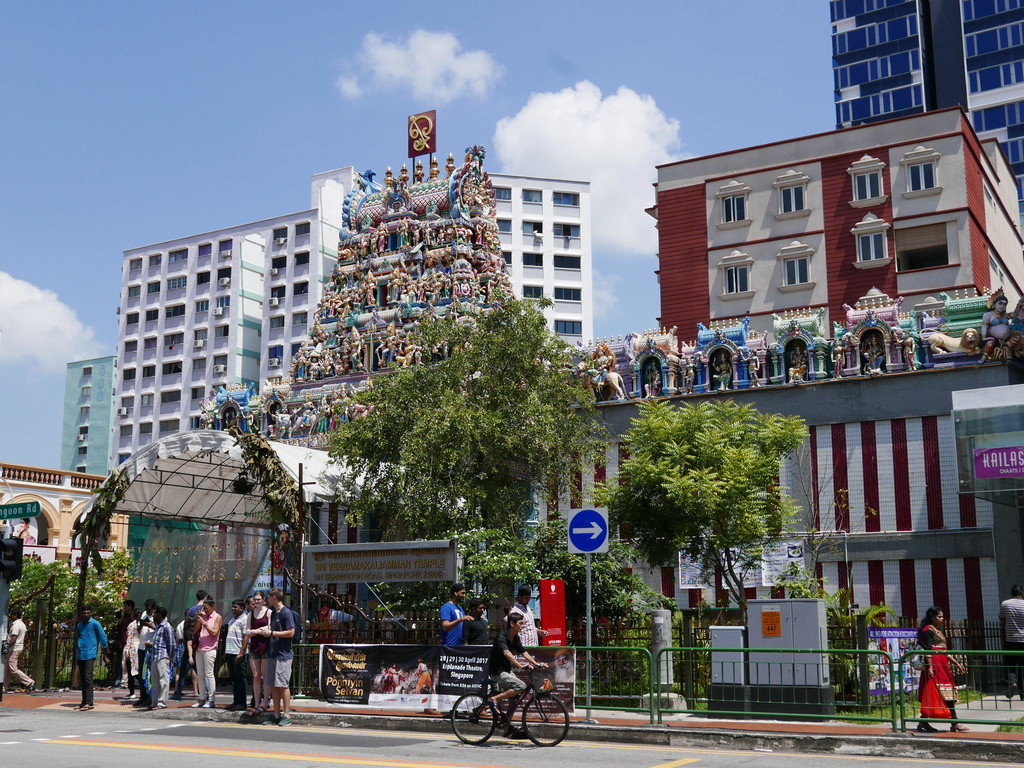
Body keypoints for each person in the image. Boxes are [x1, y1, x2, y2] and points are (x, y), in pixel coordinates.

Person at [488, 611, 547, 739]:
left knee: (515, 699)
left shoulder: (515, 637)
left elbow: (523, 652)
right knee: (521, 686)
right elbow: (507, 654)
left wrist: (536, 663)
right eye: (520, 623)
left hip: (507, 670)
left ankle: (506, 728)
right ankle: (493, 699)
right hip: (497, 671)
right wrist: (520, 666)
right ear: (512, 623)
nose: (522, 626)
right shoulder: (501, 636)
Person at [916, 606, 968, 733]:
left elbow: (943, 650)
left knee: (946, 693)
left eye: (942, 616)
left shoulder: (935, 630)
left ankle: (924, 721)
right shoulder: (927, 630)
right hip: (935, 666)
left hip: (942, 665)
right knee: (941, 693)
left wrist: (956, 663)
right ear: (932, 618)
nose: (942, 619)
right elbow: (928, 649)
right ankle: (954, 722)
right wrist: (930, 668)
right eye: (939, 617)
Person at [261, 587, 296, 726]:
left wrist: (272, 633)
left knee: (282, 684)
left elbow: (291, 632)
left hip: (283, 654)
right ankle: (276, 714)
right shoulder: (274, 613)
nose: (267, 600)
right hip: (273, 653)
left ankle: (286, 715)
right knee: (273, 685)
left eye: (268, 598)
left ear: (274, 598)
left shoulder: (286, 613)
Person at [241, 590, 271, 716]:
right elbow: (247, 632)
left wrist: (255, 631)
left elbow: (269, 629)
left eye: (259, 599)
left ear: (263, 600)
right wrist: (259, 630)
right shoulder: (250, 614)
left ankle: (265, 703)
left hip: (266, 647)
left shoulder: (269, 612)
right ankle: (257, 704)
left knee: (265, 676)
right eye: (255, 599)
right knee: (256, 676)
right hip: (254, 648)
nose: (257, 601)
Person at [74, 606, 108, 711]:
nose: (86, 615)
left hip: (90, 653)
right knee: (83, 678)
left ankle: (89, 702)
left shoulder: (95, 624)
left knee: (88, 677)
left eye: (88, 613)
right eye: (84, 613)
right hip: (81, 653)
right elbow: (78, 637)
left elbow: (103, 638)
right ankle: (84, 701)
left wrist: (104, 654)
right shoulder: (79, 625)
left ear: (91, 613)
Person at [191, 596, 222, 708]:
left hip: (210, 649)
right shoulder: (203, 617)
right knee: (200, 675)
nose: (205, 610)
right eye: (203, 608)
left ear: (213, 607)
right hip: (200, 648)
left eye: (207, 608)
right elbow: (194, 631)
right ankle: (201, 698)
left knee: (209, 674)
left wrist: (204, 622)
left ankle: (211, 700)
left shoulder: (217, 617)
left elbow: (214, 632)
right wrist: (200, 620)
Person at [224, 599, 249, 711]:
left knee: (240, 678)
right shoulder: (232, 620)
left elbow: (246, 638)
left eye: (235, 607)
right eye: (233, 607)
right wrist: (226, 652)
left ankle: (242, 703)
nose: (233, 609)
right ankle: (236, 701)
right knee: (234, 679)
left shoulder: (244, 619)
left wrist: (241, 652)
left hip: (238, 653)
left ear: (242, 608)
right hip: (230, 652)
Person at [1000, 585, 1024, 700]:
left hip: (1010, 639)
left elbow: (1002, 617)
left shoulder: (1005, 604)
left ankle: (1012, 682)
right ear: (1022, 593)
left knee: (1010, 664)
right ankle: (1023, 695)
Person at [148, 606, 174, 710]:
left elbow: (171, 644)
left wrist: (170, 657)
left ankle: (162, 702)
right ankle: (155, 702)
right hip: (155, 656)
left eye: (155, 614)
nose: (153, 616)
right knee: (155, 681)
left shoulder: (167, 627)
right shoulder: (158, 627)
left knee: (163, 680)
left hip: (163, 656)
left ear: (160, 615)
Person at [6, 607, 35, 692]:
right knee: (7, 669)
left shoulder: (16, 625)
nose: (11, 616)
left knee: (12, 668)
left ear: (15, 616)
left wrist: (7, 646)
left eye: (12, 615)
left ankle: (29, 682)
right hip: (18, 647)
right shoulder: (22, 624)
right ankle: (4, 687)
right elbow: (25, 636)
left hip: (14, 648)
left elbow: (13, 638)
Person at [136, 598, 157, 707]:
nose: (148, 611)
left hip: (150, 648)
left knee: (149, 673)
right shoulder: (144, 615)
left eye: (149, 610)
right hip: (141, 647)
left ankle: (150, 697)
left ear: (154, 608)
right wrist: (141, 624)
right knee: (141, 674)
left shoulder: (157, 616)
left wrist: (149, 624)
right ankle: (142, 696)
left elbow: (158, 629)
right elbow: (139, 631)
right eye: (146, 609)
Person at [111, 599, 135, 689]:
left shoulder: (133, 615)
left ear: (130, 607)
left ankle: (128, 680)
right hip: (123, 640)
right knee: (123, 661)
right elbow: (120, 625)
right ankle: (121, 679)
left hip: (130, 642)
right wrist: (122, 616)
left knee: (129, 661)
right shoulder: (124, 616)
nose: (124, 608)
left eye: (125, 606)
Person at [122, 608, 140, 699]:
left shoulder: (132, 625)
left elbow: (129, 638)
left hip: (132, 648)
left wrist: (126, 650)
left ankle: (132, 691)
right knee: (138, 669)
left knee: (131, 670)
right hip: (140, 647)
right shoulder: (142, 624)